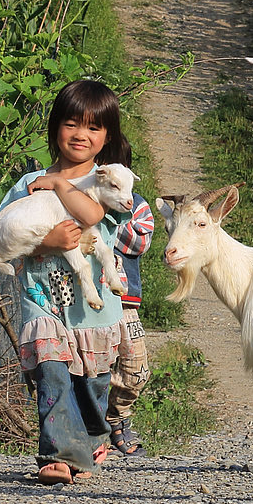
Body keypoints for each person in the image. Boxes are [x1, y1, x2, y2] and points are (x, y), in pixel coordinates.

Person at [0, 79, 130, 486]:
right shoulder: (27, 184)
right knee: (51, 369)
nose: (81, 135)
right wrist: (43, 241)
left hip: (93, 304)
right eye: (72, 124)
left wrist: (60, 185)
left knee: (91, 382)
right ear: (55, 128)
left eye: (93, 128)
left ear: (107, 137)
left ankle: (91, 435)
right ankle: (58, 452)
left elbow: (95, 220)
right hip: (42, 298)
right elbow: (3, 232)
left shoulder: (112, 183)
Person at [105, 190, 154, 455]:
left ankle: (115, 416)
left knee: (137, 369)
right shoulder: (74, 193)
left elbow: (139, 242)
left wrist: (102, 213)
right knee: (90, 366)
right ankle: (95, 430)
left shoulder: (136, 204)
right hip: (85, 298)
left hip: (124, 299)